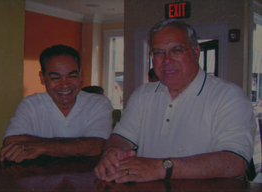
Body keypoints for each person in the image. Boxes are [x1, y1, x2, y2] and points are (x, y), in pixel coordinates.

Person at [94, 19, 256, 183]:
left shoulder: (229, 96)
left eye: (176, 50)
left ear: (196, 52)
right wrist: (113, 151)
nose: (166, 60)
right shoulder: (143, 94)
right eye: (158, 52)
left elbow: (235, 162)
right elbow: (122, 137)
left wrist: (162, 167)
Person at [0, 44, 113, 163]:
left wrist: (43, 147)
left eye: (72, 76)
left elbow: (97, 146)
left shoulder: (99, 103)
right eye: (55, 78)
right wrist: (75, 147)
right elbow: (10, 142)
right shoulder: (30, 105)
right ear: (42, 78)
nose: (65, 85)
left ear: (80, 75)